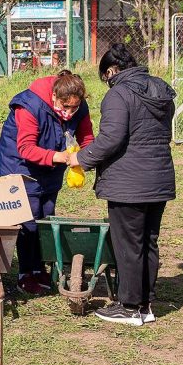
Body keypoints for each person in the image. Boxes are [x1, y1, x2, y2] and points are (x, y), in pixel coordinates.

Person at [69, 44, 176, 326]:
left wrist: (81, 158)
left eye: (106, 77)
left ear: (112, 71)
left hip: (128, 181)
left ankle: (128, 307)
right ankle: (145, 305)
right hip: (158, 177)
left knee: (129, 244)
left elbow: (112, 138)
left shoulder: (119, 94)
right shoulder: (161, 89)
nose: (107, 83)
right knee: (148, 241)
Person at [0, 70, 94, 295]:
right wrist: (59, 157)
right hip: (19, 166)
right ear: (54, 97)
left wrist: (87, 157)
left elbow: (87, 137)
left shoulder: (79, 108)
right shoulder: (29, 106)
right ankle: (26, 272)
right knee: (27, 220)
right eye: (64, 107)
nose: (69, 113)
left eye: (74, 108)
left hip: (50, 167)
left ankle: (41, 268)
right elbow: (26, 148)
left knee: (47, 214)